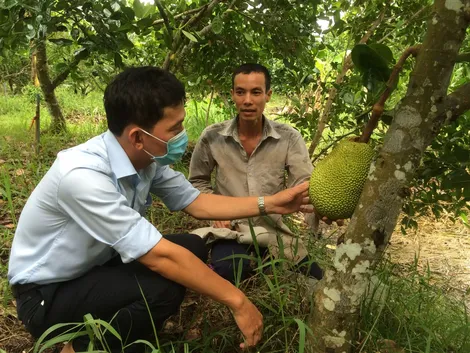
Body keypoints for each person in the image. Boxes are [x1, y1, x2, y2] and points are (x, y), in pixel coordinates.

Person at [7, 67, 313, 353]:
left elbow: (197, 201)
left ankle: (128, 327)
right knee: (162, 286)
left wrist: (271, 202)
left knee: (193, 246)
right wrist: (238, 301)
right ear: (139, 137)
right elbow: (158, 256)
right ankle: (80, 346)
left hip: (94, 268)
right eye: (176, 127)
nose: (183, 136)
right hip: (46, 294)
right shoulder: (83, 176)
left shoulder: (145, 160)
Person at [189, 63, 323, 284]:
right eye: (241, 92)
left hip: (273, 231)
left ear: (268, 95)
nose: (247, 100)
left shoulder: (288, 138)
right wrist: (216, 212)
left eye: (256, 92)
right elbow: (197, 181)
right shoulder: (212, 137)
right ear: (232, 95)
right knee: (229, 270)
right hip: (230, 229)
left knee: (315, 277)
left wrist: (322, 207)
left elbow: (304, 183)